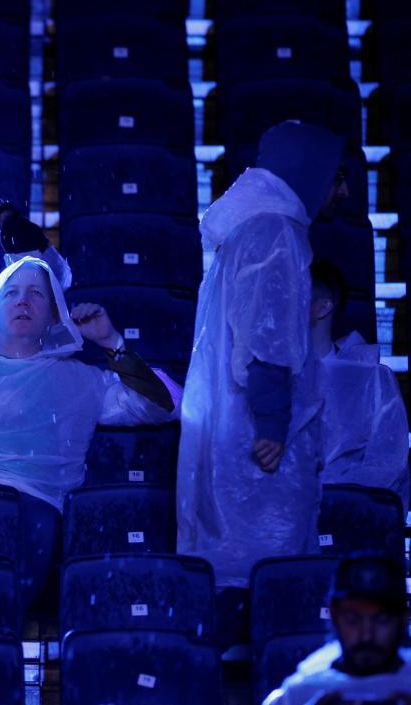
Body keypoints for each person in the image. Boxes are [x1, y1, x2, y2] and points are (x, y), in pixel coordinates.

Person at [0, 256, 178, 607]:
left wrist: (112, 342)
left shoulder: (79, 379)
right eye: (12, 293)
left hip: (31, 512)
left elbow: (164, 403)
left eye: (37, 294)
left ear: (55, 315)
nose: (23, 301)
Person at [177, 120, 351, 589]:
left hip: (241, 429)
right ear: (308, 172)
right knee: (270, 579)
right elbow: (266, 333)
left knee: (244, 575)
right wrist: (272, 424)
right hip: (259, 440)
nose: (345, 191)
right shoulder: (276, 232)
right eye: (337, 177)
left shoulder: (257, 230)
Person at [311, 260, 410, 508]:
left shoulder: (373, 379)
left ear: (322, 307)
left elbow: (389, 463)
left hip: (350, 519)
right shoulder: (267, 380)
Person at [263, 555, 411, 704]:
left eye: (381, 619)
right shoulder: (301, 690)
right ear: (334, 617)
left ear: (403, 620)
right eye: (353, 619)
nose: (366, 635)